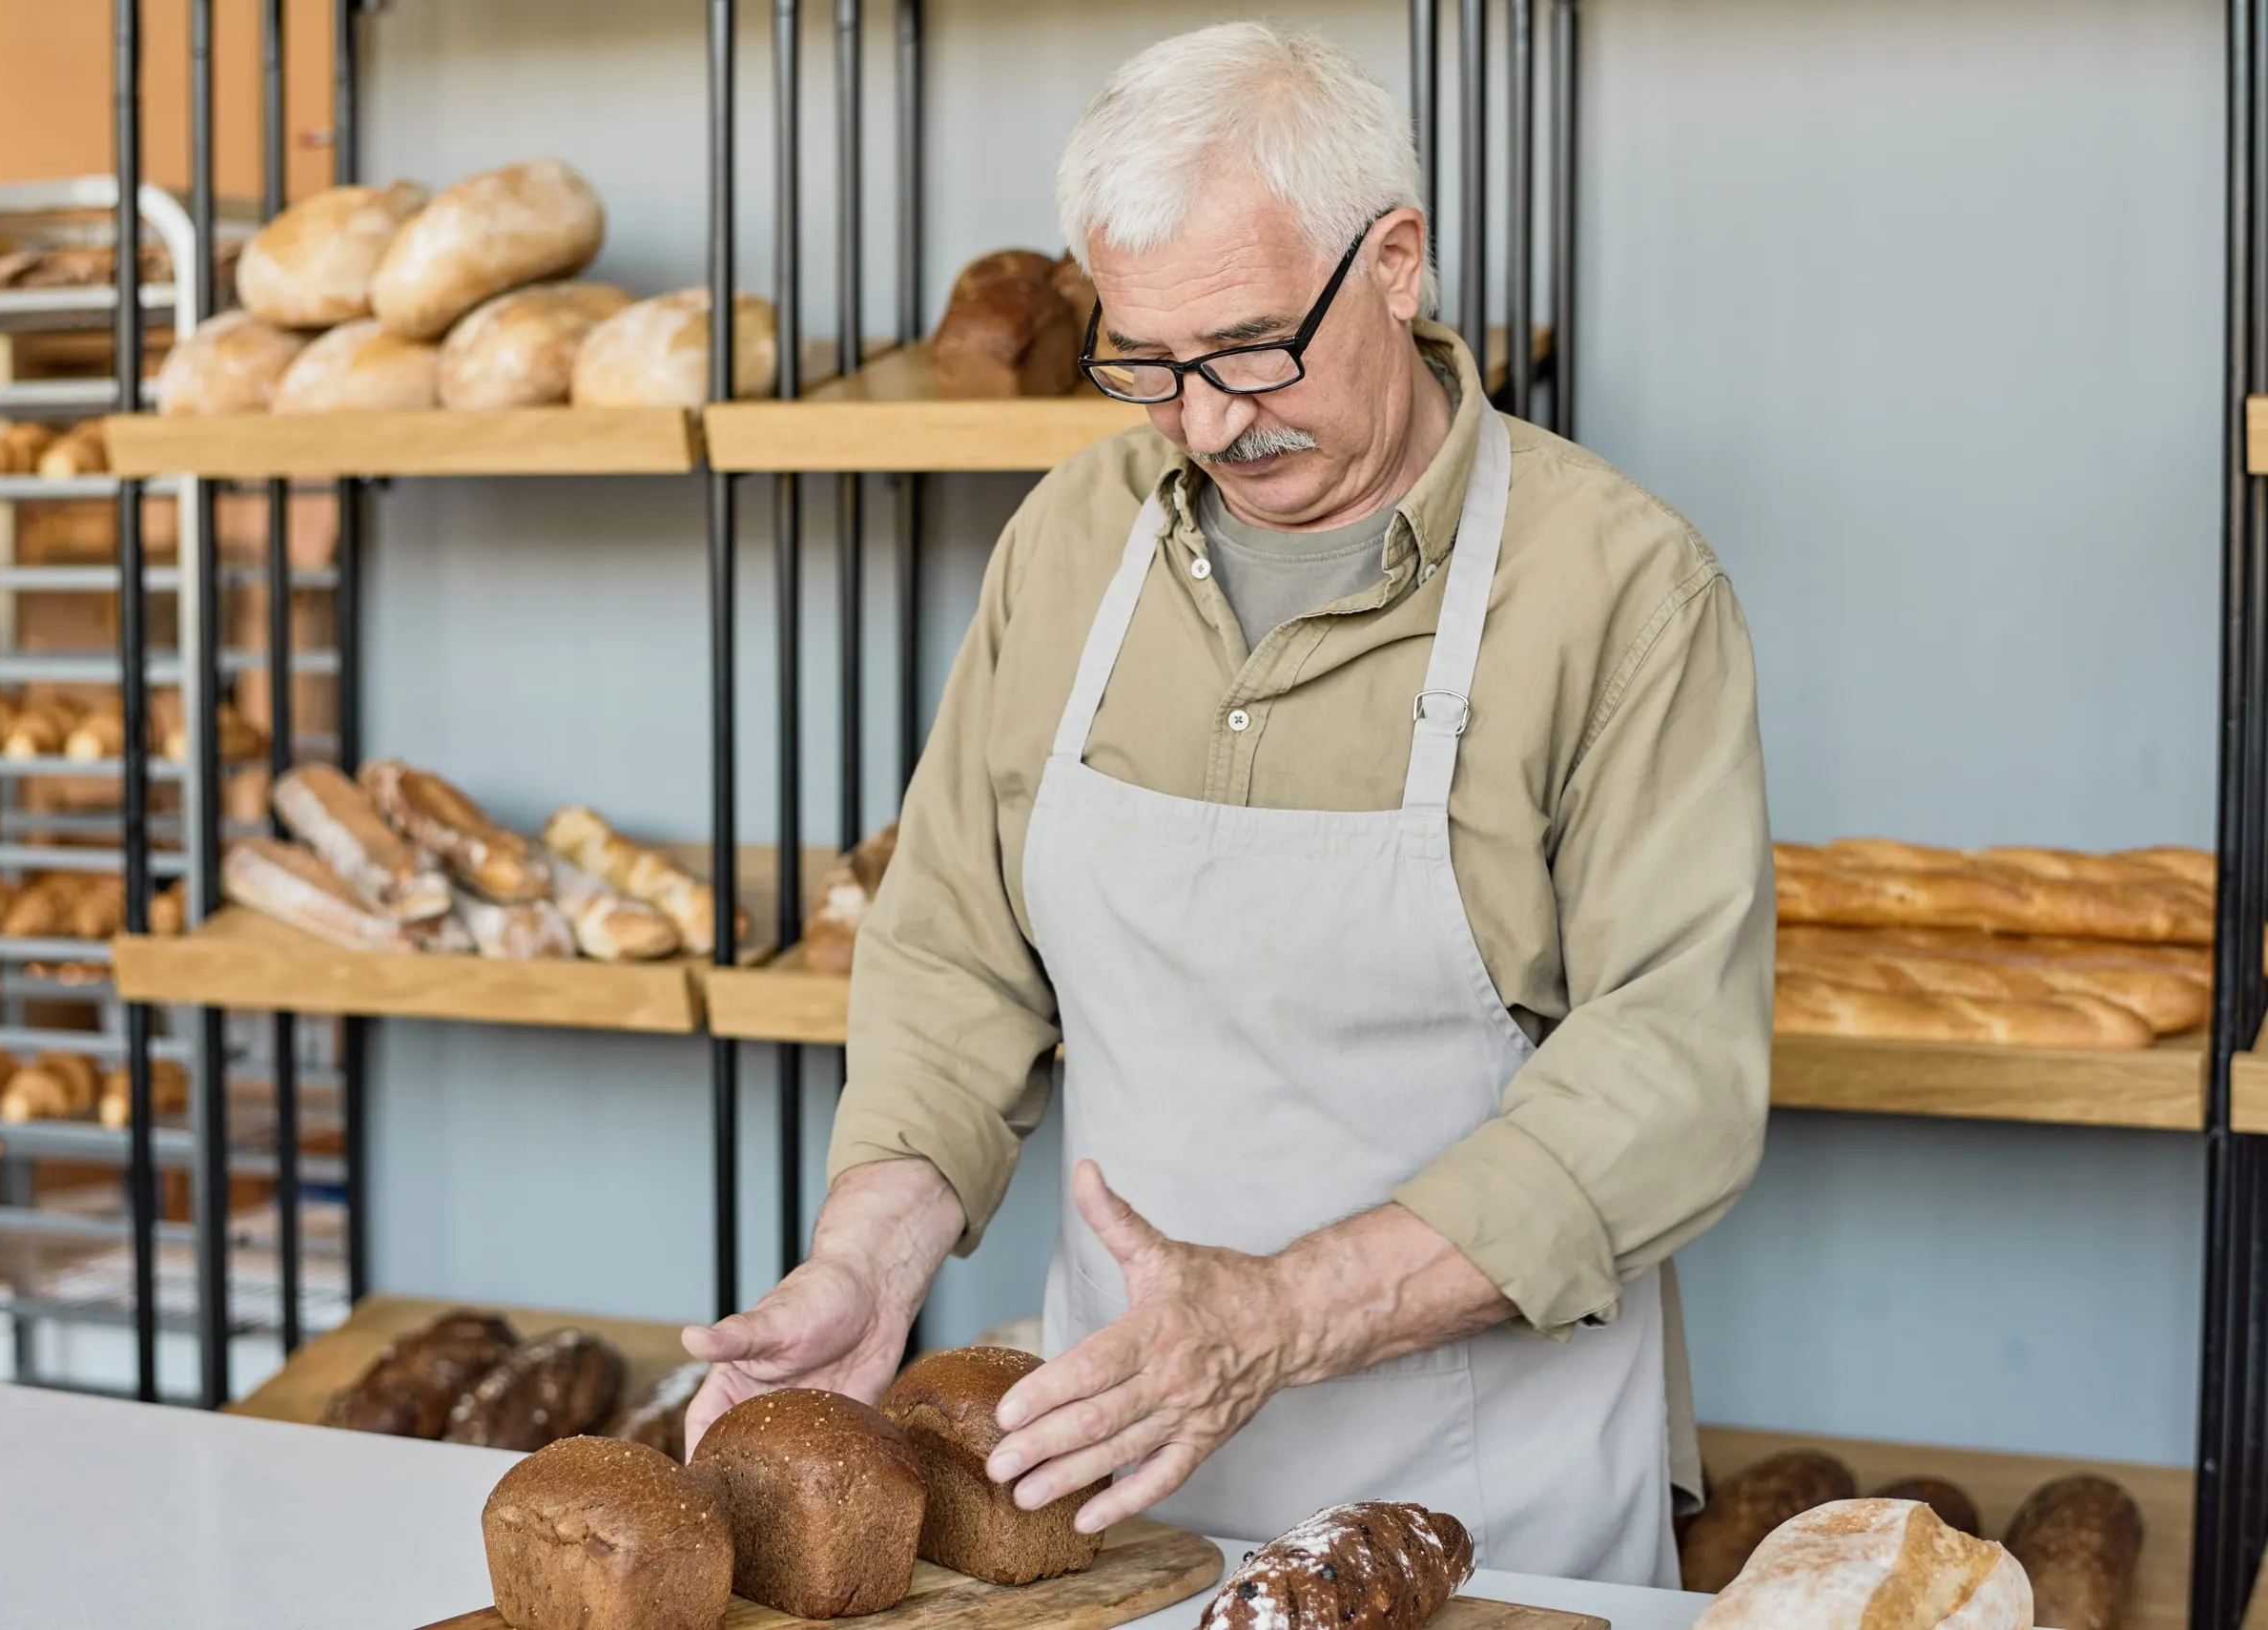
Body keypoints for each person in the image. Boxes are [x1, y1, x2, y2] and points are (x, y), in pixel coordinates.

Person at [683, 21, 1770, 1587]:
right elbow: (955, 959)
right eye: (1148, 365)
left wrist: (1277, 1318)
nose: (1203, 424)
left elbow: (1672, 1074)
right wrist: (869, 1259)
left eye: (1251, 349)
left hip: (1489, 1515)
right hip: (1095, 1484)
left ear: (1395, 262)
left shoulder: (1622, 590)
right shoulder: (1073, 540)